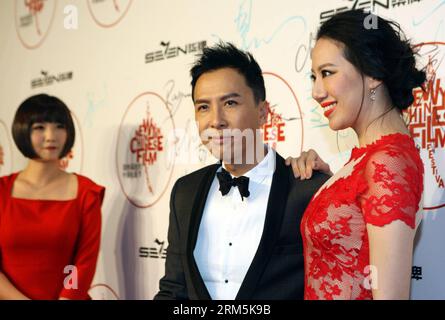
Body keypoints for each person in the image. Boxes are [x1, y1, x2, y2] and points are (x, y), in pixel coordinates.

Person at [154, 42, 329, 300]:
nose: (216, 120)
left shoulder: (307, 189)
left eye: (230, 103)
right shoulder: (185, 192)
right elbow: (173, 290)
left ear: (262, 113)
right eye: (203, 107)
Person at [286, 10, 425, 299]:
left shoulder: (389, 162)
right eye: (313, 76)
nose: (316, 91)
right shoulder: (367, 160)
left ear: (372, 74)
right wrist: (327, 182)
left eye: (327, 73)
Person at [0, 94, 105, 300]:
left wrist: (67, 297)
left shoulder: (86, 192)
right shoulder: (2, 191)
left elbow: (83, 263)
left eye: (59, 126)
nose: (51, 136)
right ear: (22, 130)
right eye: (39, 127)